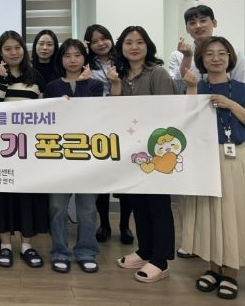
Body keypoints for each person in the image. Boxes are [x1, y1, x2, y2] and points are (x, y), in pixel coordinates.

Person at [181, 36, 245, 300]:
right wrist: (191, 89)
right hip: (205, 158)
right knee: (210, 213)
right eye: (209, 54)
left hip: (238, 158)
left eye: (222, 53)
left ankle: (231, 273)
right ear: (201, 60)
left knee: (235, 214)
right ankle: (213, 268)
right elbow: (185, 122)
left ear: (230, 58)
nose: (216, 58)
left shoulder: (243, 90)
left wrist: (231, 104)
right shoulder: (196, 87)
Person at [169, 4, 245, 258]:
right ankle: (192, 243)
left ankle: (227, 248)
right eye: (192, 23)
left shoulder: (232, 51)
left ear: (213, 22)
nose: (198, 26)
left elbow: (243, 90)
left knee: (227, 198)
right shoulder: (179, 54)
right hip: (195, 136)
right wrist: (186, 58)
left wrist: (230, 108)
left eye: (203, 20)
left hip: (227, 135)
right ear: (187, 28)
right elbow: (177, 91)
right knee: (193, 194)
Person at [108, 26, 177, 283]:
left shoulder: (157, 73)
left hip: (156, 151)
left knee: (158, 206)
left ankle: (160, 260)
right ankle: (145, 250)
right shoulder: (120, 75)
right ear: (121, 47)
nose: (134, 47)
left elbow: (169, 112)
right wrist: (115, 84)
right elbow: (113, 113)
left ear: (147, 46)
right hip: (131, 151)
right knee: (138, 203)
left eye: (139, 42)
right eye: (128, 42)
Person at [0, 31, 48, 269]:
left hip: (28, 148)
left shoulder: (36, 76)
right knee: (3, 197)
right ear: (0, 52)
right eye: (8, 49)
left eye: (17, 47)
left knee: (26, 197)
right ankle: (5, 245)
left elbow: (44, 111)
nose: (13, 53)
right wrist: (2, 80)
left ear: (23, 49)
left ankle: (26, 245)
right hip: (0, 147)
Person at [43, 39, 102, 273]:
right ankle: (59, 251)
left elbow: (91, 113)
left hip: (87, 153)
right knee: (57, 207)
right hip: (58, 154)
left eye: (77, 55)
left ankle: (87, 251)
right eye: (67, 56)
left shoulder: (95, 85)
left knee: (87, 208)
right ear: (61, 60)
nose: (73, 60)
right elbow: (48, 118)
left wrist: (83, 83)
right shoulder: (52, 87)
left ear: (84, 58)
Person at [84, 24, 134, 245]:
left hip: (124, 123)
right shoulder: (86, 64)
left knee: (125, 179)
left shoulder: (123, 61)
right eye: (94, 41)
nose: (100, 43)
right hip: (97, 125)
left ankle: (125, 225)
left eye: (104, 38)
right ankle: (104, 224)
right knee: (101, 180)